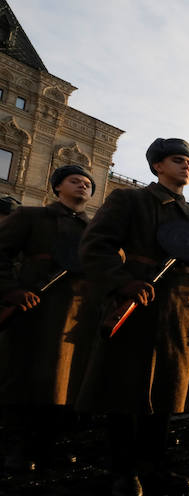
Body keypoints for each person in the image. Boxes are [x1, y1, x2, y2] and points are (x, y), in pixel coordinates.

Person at [78, 140, 189, 496]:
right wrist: (122, 281)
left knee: (166, 391)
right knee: (127, 391)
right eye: (178, 160)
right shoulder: (129, 200)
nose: (186, 166)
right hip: (136, 305)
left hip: (178, 311)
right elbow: (95, 246)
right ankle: (123, 472)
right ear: (157, 165)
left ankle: (154, 465)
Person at [0, 166, 98, 472]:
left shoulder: (93, 230)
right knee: (26, 376)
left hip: (78, 313)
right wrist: (11, 290)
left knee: (64, 382)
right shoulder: (31, 217)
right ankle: (18, 447)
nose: (82, 186)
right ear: (57, 187)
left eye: (87, 184)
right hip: (35, 308)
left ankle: (48, 446)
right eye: (75, 181)